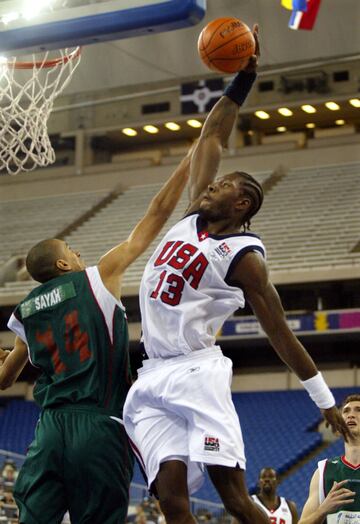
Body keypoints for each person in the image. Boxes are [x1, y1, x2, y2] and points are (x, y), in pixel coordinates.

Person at [123, 24, 350, 524]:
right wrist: (243, 81)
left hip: (196, 372)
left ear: (242, 202)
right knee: (170, 497)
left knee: (234, 498)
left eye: (223, 185)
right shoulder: (190, 217)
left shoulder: (244, 254)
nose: (210, 185)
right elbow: (214, 135)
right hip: (152, 373)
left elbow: (277, 329)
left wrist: (323, 398)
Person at [0, 153, 191, 524]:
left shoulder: (23, 312)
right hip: (99, 422)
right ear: (63, 265)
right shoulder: (98, 278)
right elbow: (154, 216)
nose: (79, 253)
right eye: (72, 250)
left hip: (49, 429)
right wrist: (188, 162)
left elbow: (5, 380)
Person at [299, 394, 360, 524]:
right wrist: (323, 510)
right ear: (338, 427)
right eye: (346, 411)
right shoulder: (323, 471)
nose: (351, 415)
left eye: (358, 410)